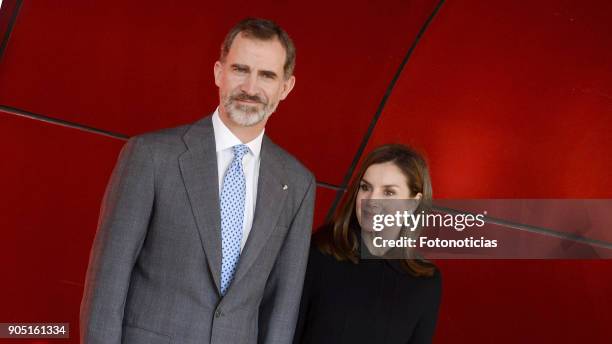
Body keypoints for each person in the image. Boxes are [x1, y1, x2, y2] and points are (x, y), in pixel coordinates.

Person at [80, 18, 316, 344]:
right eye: (240, 69)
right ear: (219, 72)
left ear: (285, 87)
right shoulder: (150, 156)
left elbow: (283, 307)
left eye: (267, 75)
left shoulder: (298, 184)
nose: (250, 87)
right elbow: (108, 279)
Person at [293, 144, 442, 344]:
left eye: (389, 192)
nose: (371, 200)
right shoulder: (321, 252)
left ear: (413, 203)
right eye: (365, 187)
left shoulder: (425, 282)